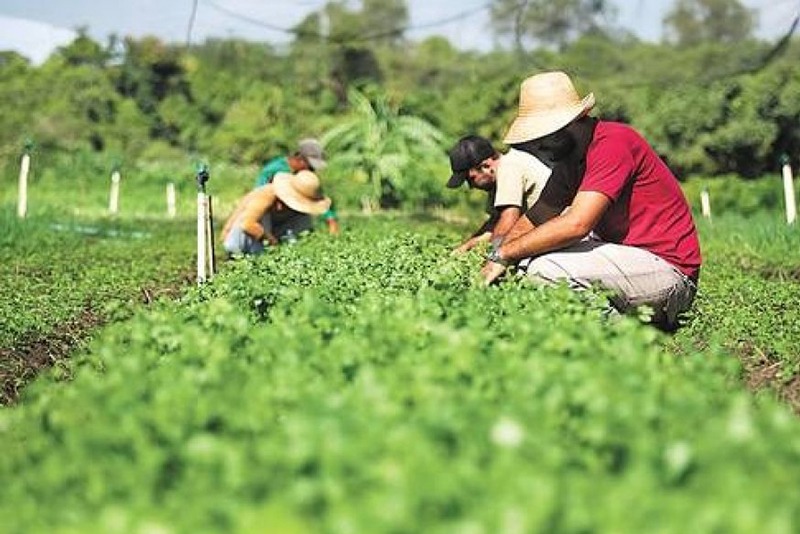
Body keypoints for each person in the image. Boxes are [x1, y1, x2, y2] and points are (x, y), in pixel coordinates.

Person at [481, 71, 702, 330]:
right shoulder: (569, 162)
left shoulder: (613, 142)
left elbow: (577, 225)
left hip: (669, 272)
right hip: (629, 263)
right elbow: (535, 217)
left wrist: (505, 253)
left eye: (544, 137)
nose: (539, 147)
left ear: (573, 121)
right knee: (526, 262)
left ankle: (622, 339)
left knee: (544, 269)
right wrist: (496, 257)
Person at [447, 135, 573, 254]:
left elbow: (508, 221)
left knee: (525, 265)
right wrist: (466, 247)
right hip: (549, 231)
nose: (471, 186)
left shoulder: (509, 167)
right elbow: (494, 224)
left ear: (486, 166)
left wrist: (491, 257)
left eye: (471, 179)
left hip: (564, 232)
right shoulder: (499, 176)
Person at [221, 170, 333, 256]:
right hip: (241, 242)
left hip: (273, 236)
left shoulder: (298, 212)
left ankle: (292, 256)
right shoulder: (266, 195)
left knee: (304, 220)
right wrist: (273, 244)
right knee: (261, 218)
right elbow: (248, 224)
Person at [256, 138, 339, 234]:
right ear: (300, 159)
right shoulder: (273, 170)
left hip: (290, 217)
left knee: (305, 219)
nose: (312, 170)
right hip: (268, 216)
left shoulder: (305, 176)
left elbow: (316, 197)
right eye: (310, 166)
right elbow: (258, 198)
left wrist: (331, 218)